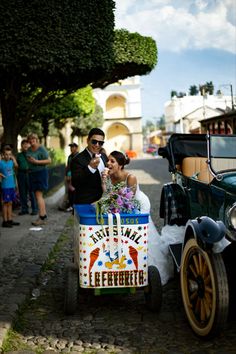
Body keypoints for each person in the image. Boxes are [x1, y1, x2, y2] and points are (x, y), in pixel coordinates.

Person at [101, 150, 174, 285]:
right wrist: (104, 180)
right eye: (108, 160)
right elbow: (106, 194)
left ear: (120, 165)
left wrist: (114, 203)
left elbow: (129, 201)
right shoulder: (109, 176)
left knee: (139, 229)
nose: (108, 163)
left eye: (112, 161)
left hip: (137, 204)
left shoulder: (131, 177)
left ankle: (149, 266)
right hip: (119, 204)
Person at [70, 128, 108, 204]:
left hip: (104, 203)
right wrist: (90, 168)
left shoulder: (103, 156)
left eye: (100, 143)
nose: (97, 145)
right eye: (94, 141)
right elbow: (75, 183)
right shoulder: (77, 159)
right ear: (87, 141)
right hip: (86, 204)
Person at [27, 133, 51, 226]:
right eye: (30, 139)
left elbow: (49, 160)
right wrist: (30, 160)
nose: (32, 141)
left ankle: (42, 217)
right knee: (38, 196)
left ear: (36, 139)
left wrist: (36, 161)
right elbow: (29, 158)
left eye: (33, 139)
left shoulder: (41, 149)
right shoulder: (29, 149)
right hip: (32, 173)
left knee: (38, 196)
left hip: (41, 173)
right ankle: (43, 216)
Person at [0, 145, 20, 228]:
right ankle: (5, 221)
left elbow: (16, 166)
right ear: (3, 154)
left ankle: (10, 220)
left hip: (12, 185)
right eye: (6, 154)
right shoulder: (1, 162)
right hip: (5, 186)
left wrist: (14, 159)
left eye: (9, 154)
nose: (8, 156)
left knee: (10, 203)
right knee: (5, 203)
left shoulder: (11, 162)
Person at [16, 139, 38, 216]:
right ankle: (24, 209)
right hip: (21, 174)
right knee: (22, 192)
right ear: (21, 146)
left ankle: (34, 209)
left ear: (29, 145)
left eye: (27, 144)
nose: (25, 145)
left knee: (32, 192)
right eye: (23, 144)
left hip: (30, 174)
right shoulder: (18, 155)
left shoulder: (32, 154)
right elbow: (16, 166)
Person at [59, 142, 79, 212]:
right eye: (70, 147)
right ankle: (68, 204)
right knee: (68, 191)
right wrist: (66, 174)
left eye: (73, 147)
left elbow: (76, 168)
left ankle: (72, 206)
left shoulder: (78, 156)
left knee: (73, 192)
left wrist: (71, 175)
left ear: (76, 148)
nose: (71, 148)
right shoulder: (70, 156)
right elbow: (68, 166)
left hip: (74, 177)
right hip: (68, 176)